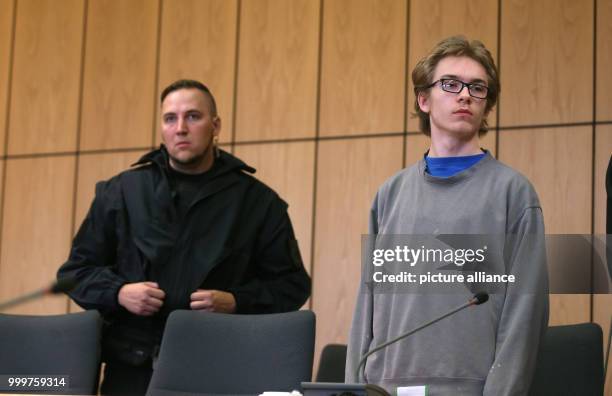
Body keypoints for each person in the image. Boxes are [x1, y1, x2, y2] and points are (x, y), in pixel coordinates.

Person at [58, 79, 311, 395]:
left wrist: (236, 301)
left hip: (222, 370)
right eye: (170, 118)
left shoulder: (258, 202)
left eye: (193, 116)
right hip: (132, 370)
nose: (180, 128)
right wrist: (119, 291)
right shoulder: (120, 192)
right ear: (162, 128)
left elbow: (292, 285)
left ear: (215, 125)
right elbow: (74, 274)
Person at [346, 36, 549, 395]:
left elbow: (525, 312)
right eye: (451, 84)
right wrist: (352, 389)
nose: (465, 94)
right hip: (385, 386)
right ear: (423, 99)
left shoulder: (514, 193)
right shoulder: (389, 195)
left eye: (478, 87)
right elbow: (368, 304)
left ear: (486, 105)